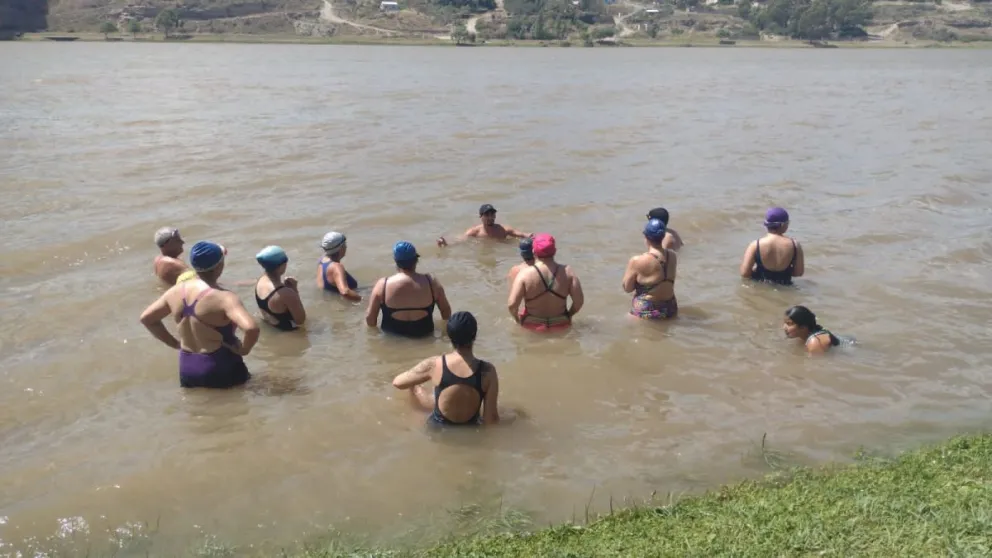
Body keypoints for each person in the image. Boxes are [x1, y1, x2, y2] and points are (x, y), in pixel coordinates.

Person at [139, 241, 259, 388]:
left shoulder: (175, 291)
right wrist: (244, 350)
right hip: (219, 365)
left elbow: (147, 319)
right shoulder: (224, 298)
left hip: (187, 366)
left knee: (199, 410)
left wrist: (175, 344)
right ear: (219, 266)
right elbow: (251, 328)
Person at [391, 311, 500, 428]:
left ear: (449, 336)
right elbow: (490, 420)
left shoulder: (435, 364)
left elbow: (398, 383)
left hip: (437, 432)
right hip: (471, 431)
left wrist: (415, 384)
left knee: (415, 386)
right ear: (475, 335)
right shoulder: (487, 371)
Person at [365, 241, 452, 338]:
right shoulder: (431, 282)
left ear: (396, 261)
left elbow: (370, 320)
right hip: (424, 337)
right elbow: (446, 312)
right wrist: (444, 334)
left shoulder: (383, 285)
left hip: (392, 342)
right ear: (416, 260)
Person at [508, 233, 584, 332]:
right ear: (555, 251)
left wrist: (517, 319)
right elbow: (579, 302)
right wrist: (569, 315)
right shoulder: (568, 272)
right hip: (561, 324)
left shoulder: (524, 274)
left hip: (532, 326)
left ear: (533, 251)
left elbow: (512, 305)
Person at [623, 219, 678, 320]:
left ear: (646, 237)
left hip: (647, 311)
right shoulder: (673, 256)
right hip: (671, 309)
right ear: (663, 237)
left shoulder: (637, 260)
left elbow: (627, 288)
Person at [740, 207, 805, 286]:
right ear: (783, 225)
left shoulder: (755, 245)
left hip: (761, 287)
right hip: (784, 287)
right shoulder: (795, 245)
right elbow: (798, 273)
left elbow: (745, 273)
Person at [254, 246, 306, 331]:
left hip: (271, 326)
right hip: (289, 333)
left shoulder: (260, 281)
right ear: (281, 266)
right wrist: (294, 290)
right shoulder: (286, 293)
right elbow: (301, 320)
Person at [436, 204, 530, 247]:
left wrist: (533, 237)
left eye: (492, 214)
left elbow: (523, 235)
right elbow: (460, 241)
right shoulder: (475, 232)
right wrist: (446, 244)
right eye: (487, 215)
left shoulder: (504, 229)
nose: (490, 217)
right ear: (481, 217)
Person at [316, 231, 361, 301]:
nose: (346, 247)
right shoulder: (336, 267)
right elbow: (345, 292)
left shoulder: (321, 261)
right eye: (345, 244)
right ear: (341, 248)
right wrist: (364, 300)